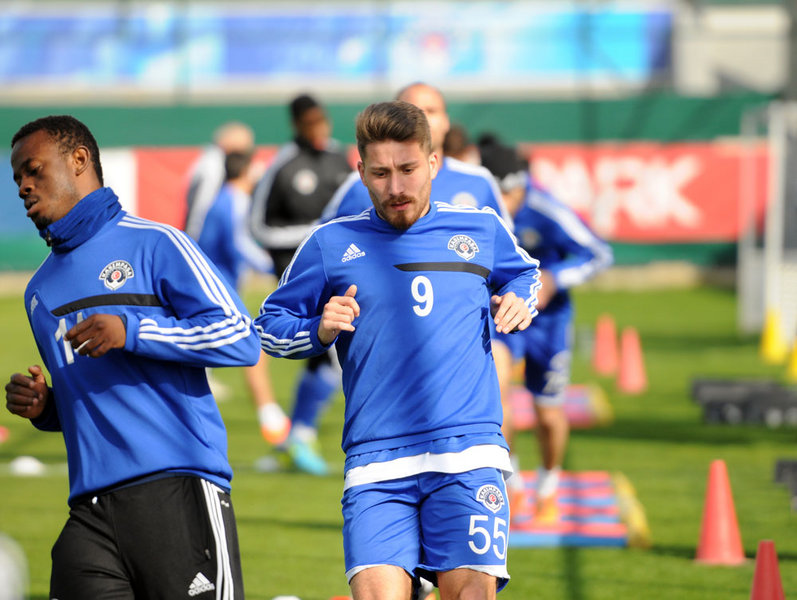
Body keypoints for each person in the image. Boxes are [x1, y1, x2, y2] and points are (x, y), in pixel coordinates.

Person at [256, 101, 541, 599]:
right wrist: (319, 329)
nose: (395, 188)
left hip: (467, 453)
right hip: (376, 462)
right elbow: (267, 327)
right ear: (361, 172)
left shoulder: (480, 228)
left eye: (408, 170)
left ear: (432, 163)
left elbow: (525, 273)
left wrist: (520, 298)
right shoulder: (330, 243)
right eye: (381, 173)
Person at [5, 115, 259, 599]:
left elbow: (240, 336)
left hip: (178, 489)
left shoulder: (157, 243)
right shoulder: (39, 291)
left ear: (79, 160)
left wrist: (132, 331)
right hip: (90, 510)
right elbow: (90, 398)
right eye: (17, 177)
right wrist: (46, 408)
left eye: (33, 170)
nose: (23, 186)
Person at [298, 83, 511, 476]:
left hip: (466, 354)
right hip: (381, 367)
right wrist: (324, 320)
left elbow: (506, 261)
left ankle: (494, 465)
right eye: (415, 109)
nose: (395, 186)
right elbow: (326, 246)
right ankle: (303, 429)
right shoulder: (358, 190)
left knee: (498, 383)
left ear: (444, 122)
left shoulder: (478, 184)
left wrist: (513, 298)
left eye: (432, 110)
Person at [478, 136, 614, 523]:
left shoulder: (546, 209)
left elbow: (600, 253)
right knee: (497, 398)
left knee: (548, 412)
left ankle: (549, 484)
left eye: (507, 195)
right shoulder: (480, 213)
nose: (503, 205)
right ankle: (512, 484)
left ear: (519, 186)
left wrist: (555, 277)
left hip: (548, 323)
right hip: (502, 319)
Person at [250, 93, 353, 475]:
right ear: (296, 125)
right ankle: (301, 435)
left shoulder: (341, 159)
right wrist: (313, 237)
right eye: (310, 123)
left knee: (329, 355)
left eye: (322, 120)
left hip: (346, 271)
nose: (319, 129)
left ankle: (296, 437)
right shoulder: (283, 165)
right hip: (304, 277)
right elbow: (258, 226)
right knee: (329, 353)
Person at [197, 149, 291, 446]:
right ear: (245, 171)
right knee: (254, 348)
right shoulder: (233, 200)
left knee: (238, 350)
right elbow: (238, 244)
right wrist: (277, 268)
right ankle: (275, 427)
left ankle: (273, 423)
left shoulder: (224, 199)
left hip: (214, 289)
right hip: (216, 291)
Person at [184, 121, 255, 239]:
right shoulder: (213, 166)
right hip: (203, 238)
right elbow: (201, 207)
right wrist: (195, 241)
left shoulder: (214, 161)